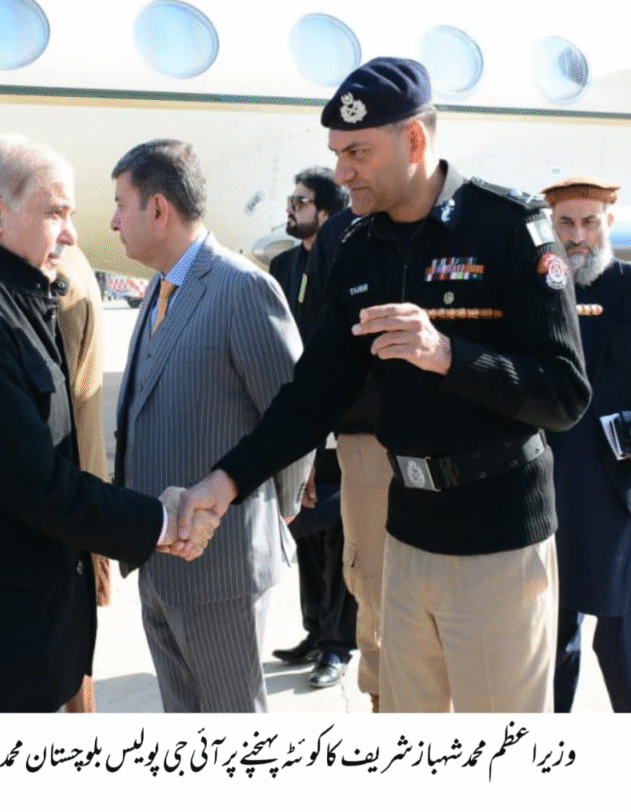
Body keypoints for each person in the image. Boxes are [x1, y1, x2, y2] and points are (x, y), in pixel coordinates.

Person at [180, 57, 591, 713]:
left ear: (415, 141)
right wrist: (225, 482)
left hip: (498, 543)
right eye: (336, 154)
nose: (342, 172)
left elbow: (564, 394)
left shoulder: (509, 229)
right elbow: (311, 396)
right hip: (406, 537)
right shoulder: (358, 248)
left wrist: (449, 355)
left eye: (357, 153)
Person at [0, 134, 218, 713]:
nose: (71, 234)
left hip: (21, 640)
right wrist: (163, 522)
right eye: (56, 213)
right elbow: (38, 484)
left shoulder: (13, 300)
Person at [111, 139, 312, 712]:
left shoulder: (242, 288)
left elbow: (293, 416)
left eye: (122, 205)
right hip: (161, 562)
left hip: (221, 567)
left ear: (158, 209)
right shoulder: (159, 289)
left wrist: (283, 506)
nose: (115, 221)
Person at [542, 176, 631, 712]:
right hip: (550, 485)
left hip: (619, 491)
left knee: (621, 639)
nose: (577, 236)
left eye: (589, 222)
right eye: (566, 224)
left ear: (609, 223)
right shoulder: (536, 294)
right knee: (552, 636)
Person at [269, 167, 358, 690]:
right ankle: (314, 629)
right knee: (302, 525)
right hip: (297, 416)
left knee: (340, 531)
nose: (290, 207)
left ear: (326, 212)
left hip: (337, 419)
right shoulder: (283, 265)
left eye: (300, 201)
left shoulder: (345, 262)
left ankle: (337, 643)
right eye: (292, 198)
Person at [55, 244, 112, 713]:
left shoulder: (58, 282)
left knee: (69, 655)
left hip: (66, 495)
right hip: (82, 485)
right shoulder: (70, 265)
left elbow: (57, 406)